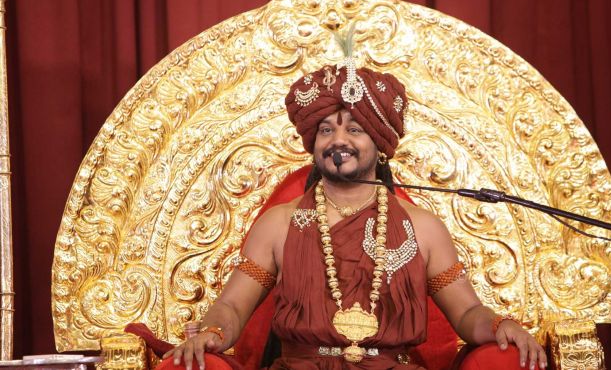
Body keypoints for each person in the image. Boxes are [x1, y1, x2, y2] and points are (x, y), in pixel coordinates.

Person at [161, 63, 547, 370]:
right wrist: (213, 332)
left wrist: (501, 326)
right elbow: (232, 306)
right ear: (313, 144)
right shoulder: (279, 224)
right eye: (326, 130)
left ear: (380, 145)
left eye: (355, 129)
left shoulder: (423, 228)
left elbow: (468, 312)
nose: (338, 141)